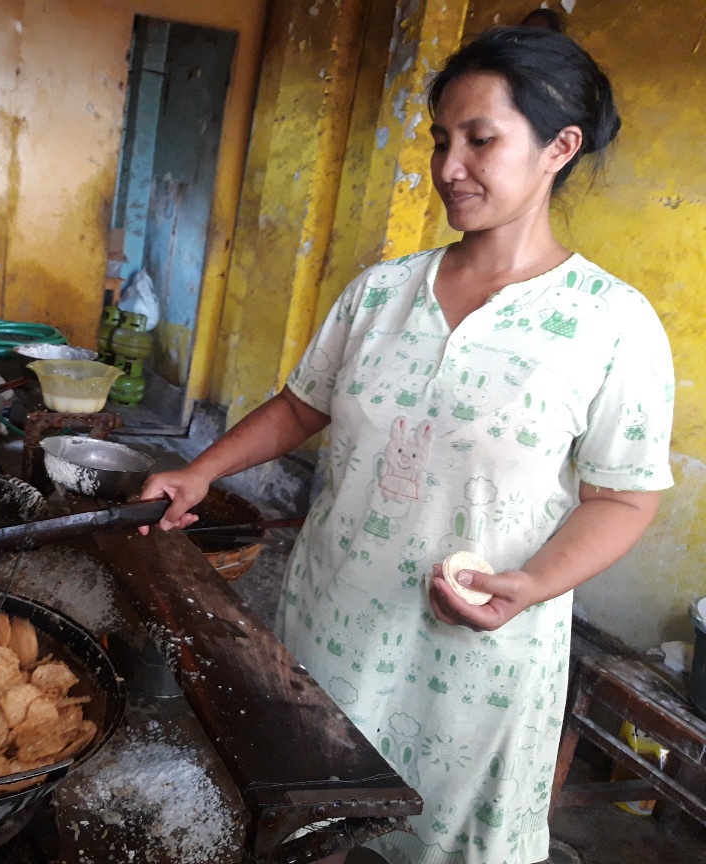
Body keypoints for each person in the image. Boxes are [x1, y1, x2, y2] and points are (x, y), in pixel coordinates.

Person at [138, 26, 674, 864]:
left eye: (481, 140)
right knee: (312, 815)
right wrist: (200, 471)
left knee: (443, 839)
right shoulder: (381, 292)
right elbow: (300, 406)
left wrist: (529, 584)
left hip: (477, 660)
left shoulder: (611, 323)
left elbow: (625, 496)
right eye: (441, 139)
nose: (449, 166)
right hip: (333, 624)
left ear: (557, 148)